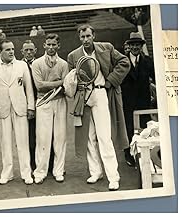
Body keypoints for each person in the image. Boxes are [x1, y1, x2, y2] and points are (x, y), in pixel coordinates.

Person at [67, 24, 130, 191]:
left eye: (88, 36)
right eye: (82, 37)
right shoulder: (73, 56)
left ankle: (113, 176)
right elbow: (70, 78)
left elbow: (124, 62)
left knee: (104, 136)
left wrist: (110, 80)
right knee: (89, 136)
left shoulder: (106, 48)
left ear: (93, 35)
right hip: (84, 97)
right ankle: (95, 172)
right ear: (79, 38)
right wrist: (75, 84)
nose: (86, 39)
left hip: (102, 94)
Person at [0, 39, 35, 185]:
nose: (11, 52)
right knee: (5, 143)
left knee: (23, 142)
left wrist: (30, 107)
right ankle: (7, 174)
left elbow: (28, 88)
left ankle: (26, 173)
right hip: (2, 110)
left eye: (13, 49)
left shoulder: (22, 65)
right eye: (7, 49)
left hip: (20, 108)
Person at [32, 33, 68, 184]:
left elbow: (66, 86)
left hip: (60, 102)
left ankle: (58, 171)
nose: (51, 47)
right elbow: (39, 85)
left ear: (58, 46)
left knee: (60, 138)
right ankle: (40, 172)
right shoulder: (37, 63)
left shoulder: (64, 64)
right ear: (44, 45)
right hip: (43, 102)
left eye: (54, 45)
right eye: (49, 44)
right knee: (43, 138)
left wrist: (58, 84)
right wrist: (59, 82)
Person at [20, 40, 55, 173]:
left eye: (31, 50)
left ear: (35, 50)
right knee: (30, 137)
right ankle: (33, 167)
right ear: (22, 52)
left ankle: (50, 165)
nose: (29, 52)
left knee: (46, 135)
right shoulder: (18, 66)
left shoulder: (42, 63)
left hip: (43, 104)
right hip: (26, 107)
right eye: (26, 50)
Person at [121, 32, 155, 166]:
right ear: (129, 46)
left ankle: (143, 154)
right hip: (127, 102)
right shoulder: (122, 61)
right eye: (133, 45)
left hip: (144, 102)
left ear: (141, 47)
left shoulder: (147, 61)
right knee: (128, 128)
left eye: (137, 45)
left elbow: (154, 77)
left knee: (144, 128)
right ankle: (129, 155)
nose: (135, 47)